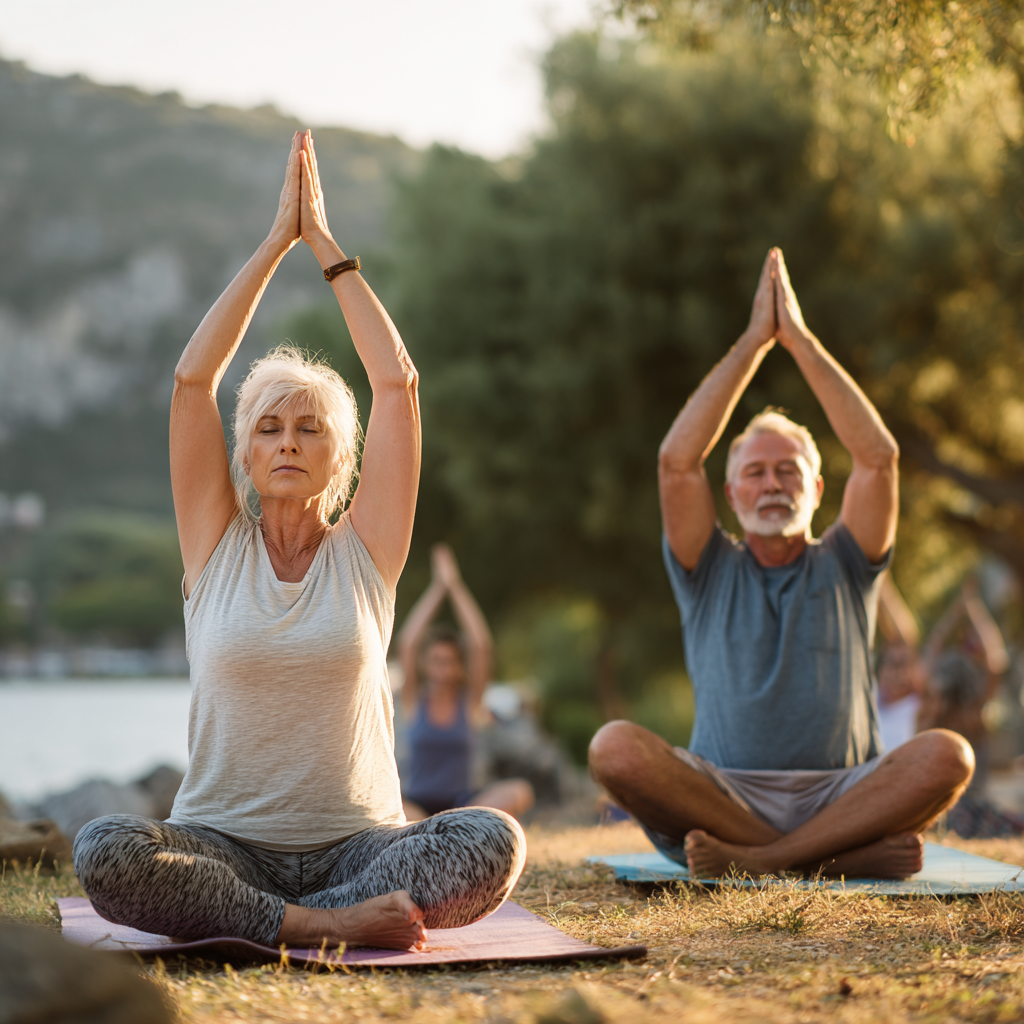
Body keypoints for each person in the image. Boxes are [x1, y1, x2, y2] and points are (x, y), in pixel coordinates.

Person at [72, 131, 525, 952]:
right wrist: (272, 242)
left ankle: (294, 921)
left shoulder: (367, 551)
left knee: (493, 841)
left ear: (340, 458)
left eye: (310, 428)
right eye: (269, 428)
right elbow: (190, 383)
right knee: (105, 849)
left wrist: (325, 248)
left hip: (361, 848)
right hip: (224, 846)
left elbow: (397, 383)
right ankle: (324, 927)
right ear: (243, 453)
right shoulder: (214, 547)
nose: (287, 441)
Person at [589, 247, 974, 879]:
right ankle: (837, 858)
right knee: (615, 748)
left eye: (789, 470)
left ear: (818, 491)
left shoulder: (849, 561)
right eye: (756, 473)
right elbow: (677, 462)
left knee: (948, 756)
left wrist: (797, 340)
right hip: (721, 798)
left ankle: (769, 861)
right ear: (733, 495)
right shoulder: (707, 568)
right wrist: (751, 344)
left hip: (847, 794)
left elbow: (878, 458)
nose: (773, 484)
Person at [397, 544, 535, 821]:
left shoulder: (470, 703)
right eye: (436, 660)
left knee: (520, 791)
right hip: (418, 803)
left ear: (460, 667)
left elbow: (481, 646)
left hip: (463, 803)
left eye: (449, 661)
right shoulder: (414, 699)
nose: (442, 669)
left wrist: (455, 586)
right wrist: (438, 589)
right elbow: (408, 643)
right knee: (392, 806)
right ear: (425, 664)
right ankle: (437, 828)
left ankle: (449, 825)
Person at [917, 578, 1020, 838]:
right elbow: (994, 657)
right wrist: (971, 607)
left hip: (965, 811)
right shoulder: (938, 716)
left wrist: (959, 612)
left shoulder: (942, 715)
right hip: (947, 813)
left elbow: (933, 649)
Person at [875, 574, 926, 753]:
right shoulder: (867, 698)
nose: (898, 674)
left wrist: (882, 582)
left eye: (904, 666)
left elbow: (906, 640)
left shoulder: (917, 706)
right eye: (893, 665)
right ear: (880, 669)